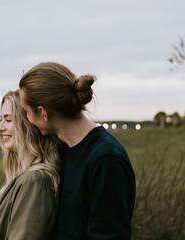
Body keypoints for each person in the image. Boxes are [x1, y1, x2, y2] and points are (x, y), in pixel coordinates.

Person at [18, 62, 136, 240]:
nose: (27, 118)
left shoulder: (106, 160)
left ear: (43, 112)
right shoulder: (63, 149)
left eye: (26, 111)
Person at [0, 90, 62, 240]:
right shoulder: (25, 179)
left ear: (28, 125)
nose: (0, 127)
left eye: (8, 120)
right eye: (1, 119)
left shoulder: (35, 182)